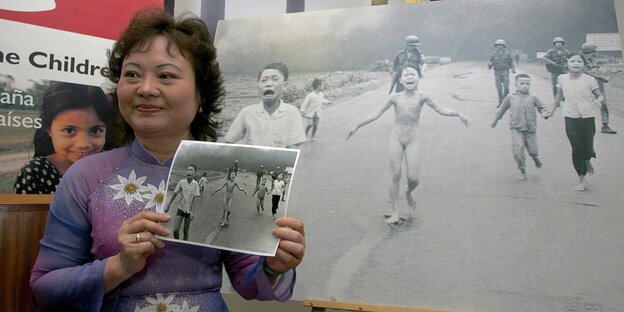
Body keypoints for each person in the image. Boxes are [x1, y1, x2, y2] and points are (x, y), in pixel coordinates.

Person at [30, 9, 305, 311]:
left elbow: (248, 282)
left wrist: (273, 266)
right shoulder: (86, 175)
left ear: (201, 94)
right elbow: (46, 287)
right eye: (132, 74)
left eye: (166, 75)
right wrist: (120, 266)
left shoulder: (224, 168)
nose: (145, 89)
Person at [347, 65, 470, 224]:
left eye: (413, 74)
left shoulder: (422, 97)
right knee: (396, 174)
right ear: (400, 80)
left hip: (413, 139)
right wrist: (357, 125)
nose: (410, 77)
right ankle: (395, 212)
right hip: (396, 137)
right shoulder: (395, 97)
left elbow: (441, 109)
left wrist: (458, 113)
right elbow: (376, 113)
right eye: (406, 75)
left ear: (419, 78)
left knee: (414, 178)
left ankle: (408, 192)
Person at [13, 82, 117, 194]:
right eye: (69, 131)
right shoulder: (35, 173)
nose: (83, 144)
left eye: (95, 131)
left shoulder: (116, 167)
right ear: (49, 129)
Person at [546, 53, 604, 192]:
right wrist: (551, 111)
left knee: (588, 148)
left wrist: (598, 101)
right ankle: (582, 179)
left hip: (588, 117)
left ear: (584, 65)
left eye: (579, 61)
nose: (576, 63)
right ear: (567, 63)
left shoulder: (590, 79)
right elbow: (558, 97)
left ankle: (587, 159)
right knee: (577, 148)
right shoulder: (562, 78)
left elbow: (600, 95)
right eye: (573, 61)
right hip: (570, 117)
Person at [224, 62, 307, 148]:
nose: (268, 84)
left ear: (285, 85)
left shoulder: (292, 113)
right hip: (252, 160)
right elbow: (229, 141)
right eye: (263, 80)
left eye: (275, 79)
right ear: (258, 86)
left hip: (280, 161)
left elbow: (292, 149)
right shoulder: (247, 112)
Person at [492, 74, 548, 180]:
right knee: (518, 149)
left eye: (527, 84)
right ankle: (522, 169)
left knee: (533, 149)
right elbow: (501, 110)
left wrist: (545, 113)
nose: (525, 86)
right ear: (516, 84)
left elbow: (542, 108)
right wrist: (496, 120)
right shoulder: (510, 97)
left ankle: (535, 157)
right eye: (522, 83)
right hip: (516, 128)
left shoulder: (533, 98)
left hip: (530, 128)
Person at [581, 42, 617, 134]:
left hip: (598, 85)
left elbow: (597, 70)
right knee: (585, 105)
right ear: (591, 51)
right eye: (594, 51)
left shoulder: (593, 60)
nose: (595, 52)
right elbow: (585, 73)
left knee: (604, 104)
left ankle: (605, 125)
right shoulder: (581, 60)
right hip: (586, 85)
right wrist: (601, 77)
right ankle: (583, 126)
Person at [164, 164, 201, 240]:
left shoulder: (196, 184)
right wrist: (168, 205)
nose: (189, 172)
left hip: (189, 211)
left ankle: (184, 243)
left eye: (191, 170)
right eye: (188, 170)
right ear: (186, 172)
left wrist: (193, 212)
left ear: (194, 173)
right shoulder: (181, 182)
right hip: (181, 208)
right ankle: (177, 242)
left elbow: (196, 199)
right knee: (175, 230)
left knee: (186, 231)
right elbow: (174, 194)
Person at [487, 39, 516, 107]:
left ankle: (506, 102)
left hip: (505, 72)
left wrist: (513, 69)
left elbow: (511, 62)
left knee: (506, 88)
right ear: (496, 46)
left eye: (501, 45)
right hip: (497, 72)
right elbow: (490, 63)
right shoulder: (493, 54)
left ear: (504, 46)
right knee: (499, 88)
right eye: (498, 45)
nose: (499, 47)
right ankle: (500, 102)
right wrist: (489, 64)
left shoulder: (508, 54)